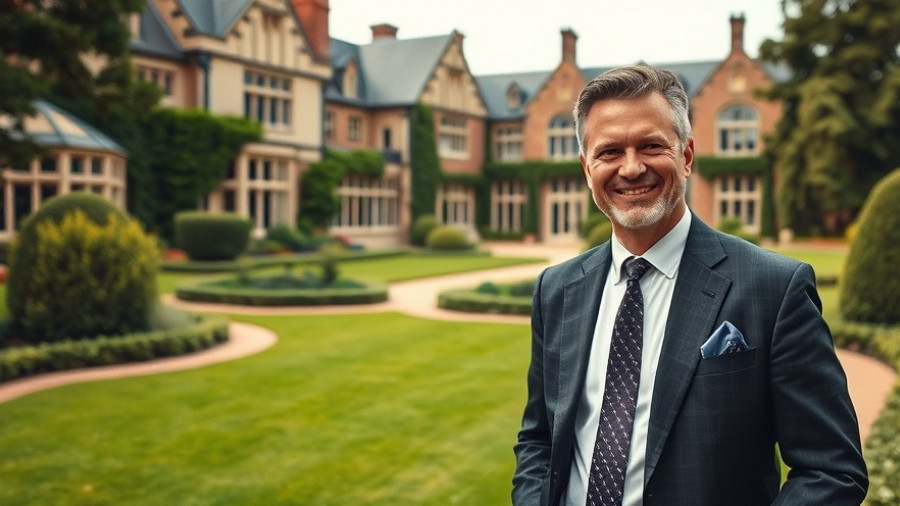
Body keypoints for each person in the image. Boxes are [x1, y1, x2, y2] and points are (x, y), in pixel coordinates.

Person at [511, 64, 867, 506]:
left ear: (687, 155)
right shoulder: (557, 290)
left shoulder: (774, 288)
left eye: (651, 145)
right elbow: (539, 442)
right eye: (609, 152)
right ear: (587, 168)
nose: (632, 167)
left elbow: (831, 469)